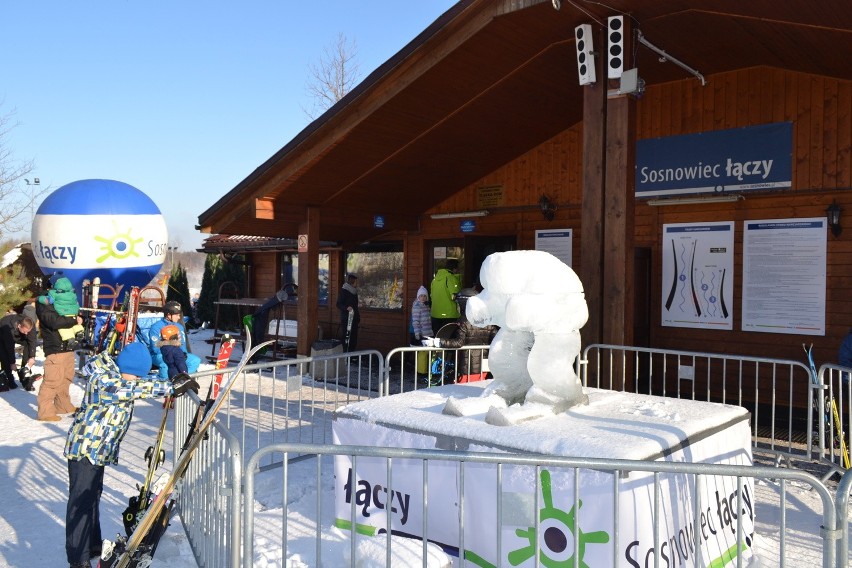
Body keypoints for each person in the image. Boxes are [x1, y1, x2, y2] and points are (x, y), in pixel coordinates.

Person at [64, 342, 199, 568]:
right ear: (128, 368)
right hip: (85, 450)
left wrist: (172, 381)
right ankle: (78, 558)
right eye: (136, 376)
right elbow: (129, 388)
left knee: (93, 495)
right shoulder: (106, 381)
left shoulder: (116, 373)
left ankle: (93, 545)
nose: (136, 380)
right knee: (81, 502)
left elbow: (140, 383)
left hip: (97, 451)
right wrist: (169, 389)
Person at [36, 277, 84, 421]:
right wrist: (74, 320)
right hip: (55, 347)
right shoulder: (44, 302)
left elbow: (70, 314)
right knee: (52, 381)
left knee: (66, 378)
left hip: (67, 347)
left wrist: (77, 318)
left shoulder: (64, 299)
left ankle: (62, 405)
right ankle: (45, 412)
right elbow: (53, 321)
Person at [431, 288, 498, 383]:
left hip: (466, 366)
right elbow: (495, 341)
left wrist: (438, 342)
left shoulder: (464, 321)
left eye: (458, 303)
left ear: (464, 304)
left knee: (464, 393)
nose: (457, 307)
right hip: (483, 367)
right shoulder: (488, 321)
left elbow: (459, 342)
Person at [147, 301, 201, 379]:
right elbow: (156, 348)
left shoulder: (179, 327)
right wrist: (172, 355)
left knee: (195, 360)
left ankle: (182, 379)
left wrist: (183, 354)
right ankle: (165, 385)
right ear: (168, 315)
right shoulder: (156, 327)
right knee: (166, 363)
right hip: (159, 354)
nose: (179, 317)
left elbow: (182, 344)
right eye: (176, 315)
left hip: (177, 353)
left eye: (179, 315)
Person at [0, 313, 36, 391]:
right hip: (2, 336)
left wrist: (32, 356)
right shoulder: (7, 327)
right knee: (5, 357)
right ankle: (8, 378)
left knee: (27, 344)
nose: (27, 333)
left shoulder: (30, 324)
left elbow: (32, 341)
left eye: (28, 332)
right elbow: (9, 348)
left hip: (17, 335)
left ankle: (24, 372)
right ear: (19, 326)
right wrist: (12, 363)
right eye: (25, 331)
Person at [430, 258, 461, 333]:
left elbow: (431, 296)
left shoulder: (435, 280)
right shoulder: (451, 278)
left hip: (435, 314)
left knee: (437, 339)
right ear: (455, 268)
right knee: (449, 340)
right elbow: (455, 296)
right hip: (449, 315)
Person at [336, 273, 360, 351]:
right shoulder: (344, 291)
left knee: (353, 337)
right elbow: (338, 304)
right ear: (353, 282)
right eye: (356, 281)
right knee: (347, 336)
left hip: (354, 318)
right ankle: (345, 353)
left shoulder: (354, 292)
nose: (358, 283)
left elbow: (355, 306)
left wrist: (358, 317)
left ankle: (352, 355)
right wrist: (346, 308)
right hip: (347, 319)